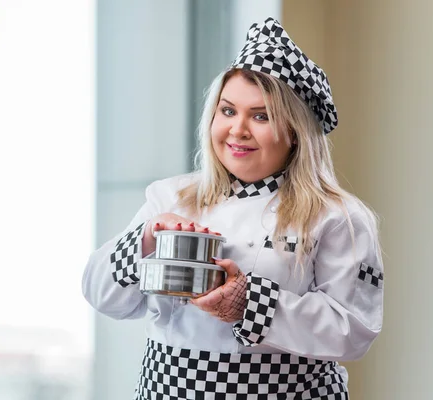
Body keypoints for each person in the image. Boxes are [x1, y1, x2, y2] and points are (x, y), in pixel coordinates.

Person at [82, 17, 384, 399]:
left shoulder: (339, 218)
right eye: (228, 111)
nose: (237, 130)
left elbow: (354, 332)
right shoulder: (170, 197)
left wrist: (247, 302)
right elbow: (101, 295)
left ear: (294, 131)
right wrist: (145, 238)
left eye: (261, 116)